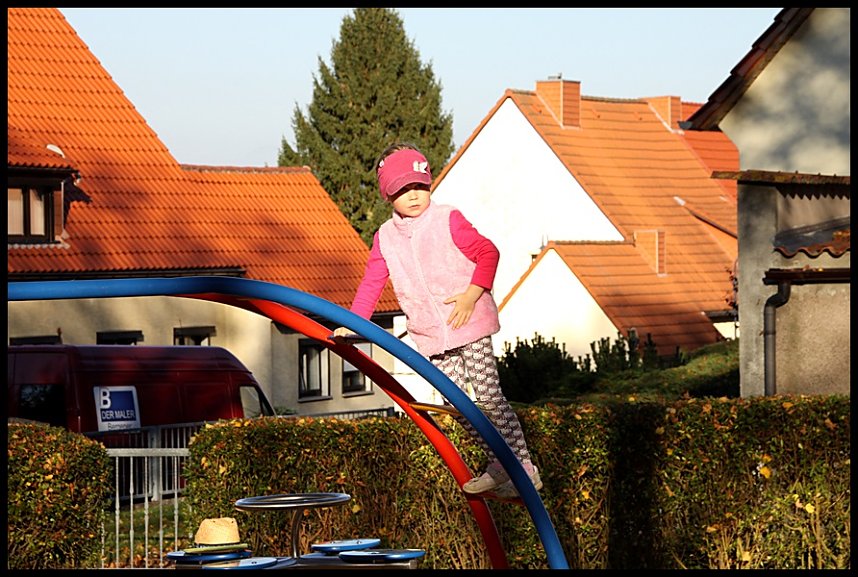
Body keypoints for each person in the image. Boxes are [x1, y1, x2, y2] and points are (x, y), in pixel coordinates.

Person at [332, 142, 541, 498]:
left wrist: (472, 294)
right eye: (402, 190)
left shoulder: (447, 219)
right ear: (388, 195)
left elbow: (488, 252)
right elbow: (372, 282)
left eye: (419, 186)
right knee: (457, 404)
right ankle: (498, 464)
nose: (413, 196)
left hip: (468, 322)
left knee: (488, 396)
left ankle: (523, 466)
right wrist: (356, 323)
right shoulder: (385, 238)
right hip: (433, 334)